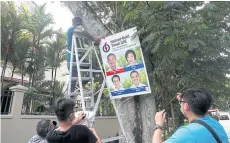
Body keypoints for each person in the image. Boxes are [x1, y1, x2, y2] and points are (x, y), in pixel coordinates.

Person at [152, 88, 228, 143]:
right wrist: (184, 100)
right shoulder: (215, 123)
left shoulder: (188, 132)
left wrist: (158, 125)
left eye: (180, 103)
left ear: (186, 106)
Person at [66, 17, 101, 99]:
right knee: (72, 83)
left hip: (81, 59)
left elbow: (91, 43)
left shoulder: (81, 37)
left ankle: (82, 82)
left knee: (95, 69)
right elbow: (82, 32)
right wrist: (94, 38)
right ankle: (69, 103)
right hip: (72, 60)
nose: (79, 25)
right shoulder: (71, 30)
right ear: (73, 24)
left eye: (80, 24)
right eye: (77, 24)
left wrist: (97, 41)